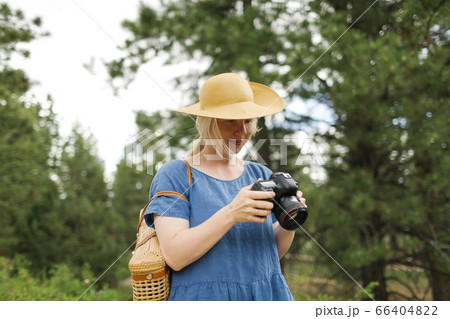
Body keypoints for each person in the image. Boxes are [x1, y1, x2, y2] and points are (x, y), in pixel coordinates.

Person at [144, 72, 307, 301]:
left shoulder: (260, 174)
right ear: (208, 122)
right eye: (231, 120)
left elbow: (270, 254)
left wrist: (289, 221)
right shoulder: (176, 175)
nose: (242, 131)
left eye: (248, 121)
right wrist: (231, 213)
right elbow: (175, 256)